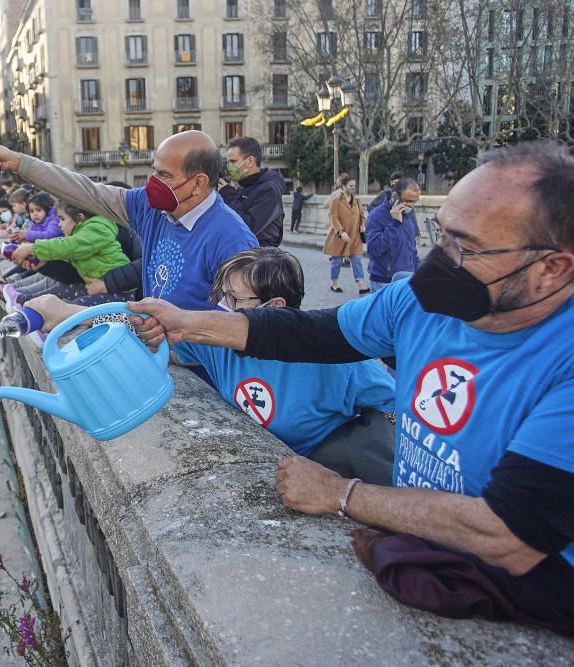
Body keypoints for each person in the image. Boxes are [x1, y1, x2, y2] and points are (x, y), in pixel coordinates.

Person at [126, 141, 574, 633]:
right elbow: (314, 333)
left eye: (464, 247)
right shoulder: (413, 302)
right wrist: (186, 323)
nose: (438, 260)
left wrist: (343, 494)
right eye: (439, 234)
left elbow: (509, 532)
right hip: (431, 544)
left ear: (552, 268)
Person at [28, 247, 396, 483]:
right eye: (220, 294)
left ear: (276, 308)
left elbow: (397, 405)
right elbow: (145, 327)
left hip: (326, 472)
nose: (220, 306)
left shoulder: (337, 362)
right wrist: (69, 315)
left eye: (233, 299)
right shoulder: (216, 344)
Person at [0, 131, 259, 311]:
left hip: (196, 380)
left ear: (198, 183)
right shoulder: (149, 207)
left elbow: (241, 327)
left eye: (164, 176)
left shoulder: (233, 242)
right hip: (155, 352)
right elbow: (85, 191)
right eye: (154, 171)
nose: (152, 183)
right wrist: (18, 162)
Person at [6, 201, 132, 307]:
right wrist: (43, 265)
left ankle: (66, 333)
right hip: (98, 286)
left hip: (123, 293)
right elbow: (71, 273)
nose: (59, 224)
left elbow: (69, 247)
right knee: (64, 289)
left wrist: (33, 248)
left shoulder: (97, 230)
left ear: (80, 218)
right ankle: (26, 302)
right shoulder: (82, 233)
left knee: (79, 304)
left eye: (62, 219)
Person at [218, 137, 285, 247]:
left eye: (233, 161)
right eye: (227, 162)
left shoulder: (269, 190)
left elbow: (247, 227)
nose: (229, 166)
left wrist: (228, 194)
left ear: (249, 161)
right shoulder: (244, 186)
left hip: (260, 257)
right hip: (244, 252)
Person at [365, 177, 421, 293]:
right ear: (395, 195)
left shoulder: (407, 215)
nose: (411, 206)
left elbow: (412, 249)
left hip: (407, 281)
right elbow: (374, 249)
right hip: (384, 282)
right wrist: (394, 223)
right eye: (408, 201)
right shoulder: (376, 216)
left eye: (414, 202)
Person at [324, 176, 370, 294]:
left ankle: (361, 284)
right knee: (337, 261)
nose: (353, 189)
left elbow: (362, 215)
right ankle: (334, 283)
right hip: (340, 236)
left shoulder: (357, 200)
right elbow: (333, 217)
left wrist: (363, 225)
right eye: (350, 186)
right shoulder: (336, 200)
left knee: (357, 260)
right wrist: (340, 231)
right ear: (343, 187)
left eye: (354, 186)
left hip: (355, 236)